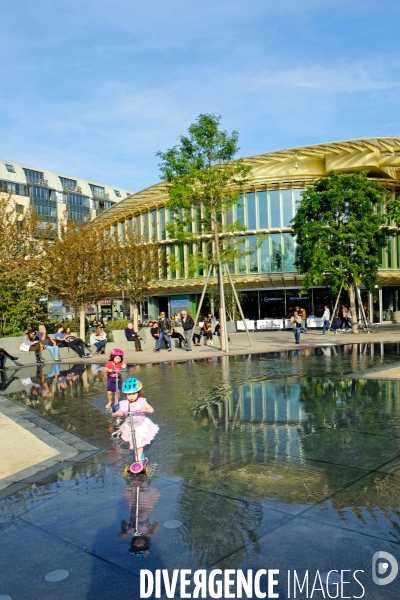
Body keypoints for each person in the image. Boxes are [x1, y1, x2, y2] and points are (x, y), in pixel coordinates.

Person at [113, 377, 159, 470]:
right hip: (129, 426)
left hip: (140, 426)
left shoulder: (142, 401)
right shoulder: (124, 403)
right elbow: (120, 411)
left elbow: (151, 410)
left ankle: (139, 462)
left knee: (139, 444)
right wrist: (119, 413)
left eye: (133, 394)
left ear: (138, 392)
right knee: (131, 445)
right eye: (128, 394)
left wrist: (145, 409)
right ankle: (140, 456)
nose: (131, 396)